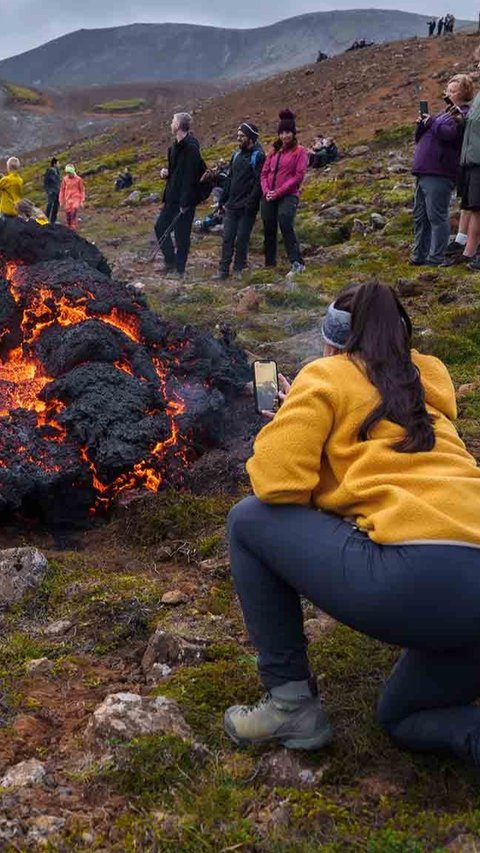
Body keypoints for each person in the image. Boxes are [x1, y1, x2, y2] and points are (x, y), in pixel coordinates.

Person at [224, 281, 480, 764]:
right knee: (403, 716)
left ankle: (290, 703)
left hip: (415, 577)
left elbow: (277, 487)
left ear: (331, 343)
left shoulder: (325, 376)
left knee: (247, 521)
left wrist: (290, 421)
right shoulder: (423, 383)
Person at [410, 74, 472, 266]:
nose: (448, 94)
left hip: (440, 171)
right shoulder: (443, 114)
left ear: (463, 94)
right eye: (448, 90)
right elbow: (422, 136)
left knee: (436, 216)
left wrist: (432, 122)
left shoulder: (462, 114)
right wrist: (423, 124)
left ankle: (435, 257)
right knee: (421, 216)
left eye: (453, 91)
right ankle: (419, 255)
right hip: (424, 169)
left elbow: (448, 134)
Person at [155, 112, 204, 279]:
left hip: (185, 201)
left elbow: (190, 177)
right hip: (171, 198)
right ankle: (170, 261)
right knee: (160, 227)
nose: (170, 124)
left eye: (172, 121)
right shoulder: (173, 148)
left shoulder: (191, 148)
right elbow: (178, 173)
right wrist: (166, 173)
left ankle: (180, 269)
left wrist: (185, 202)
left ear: (179, 125)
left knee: (182, 235)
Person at [443, 47, 480, 268]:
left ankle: (470, 252)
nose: (478, 67)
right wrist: (460, 120)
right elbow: (472, 126)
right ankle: (469, 251)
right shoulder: (477, 99)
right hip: (470, 160)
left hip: (477, 159)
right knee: (473, 206)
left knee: (477, 207)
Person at [260, 110, 308, 277]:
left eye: (287, 132)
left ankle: (297, 262)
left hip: (288, 195)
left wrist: (278, 192)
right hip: (269, 195)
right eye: (281, 133)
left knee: (285, 222)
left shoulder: (300, 151)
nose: (284, 136)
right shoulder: (274, 151)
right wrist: (267, 191)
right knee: (268, 227)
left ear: (293, 133)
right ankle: (269, 263)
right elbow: (264, 172)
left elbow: (298, 175)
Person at [214, 122, 265, 281]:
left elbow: (259, 182)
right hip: (232, 205)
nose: (239, 139)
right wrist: (222, 200)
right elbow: (230, 179)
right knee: (227, 238)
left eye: (242, 136)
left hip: (247, 207)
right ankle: (223, 271)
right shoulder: (236, 155)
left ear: (250, 137)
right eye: (238, 136)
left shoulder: (259, 156)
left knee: (242, 239)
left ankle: (238, 269)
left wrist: (251, 202)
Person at [59, 164, 85, 230]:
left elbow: (82, 190)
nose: (68, 174)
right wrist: (61, 200)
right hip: (68, 198)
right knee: (68, 213)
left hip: (76, 197)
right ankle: (69, 225)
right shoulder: (65, 179)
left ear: (72, 172)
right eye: (67, 173)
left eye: (69, 173)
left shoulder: (78, 179)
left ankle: (73, 225)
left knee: (74, 209)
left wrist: (82, 200)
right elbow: (62, 190)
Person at [43, 157, 60, 224]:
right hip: (52, 191)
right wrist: (49, 190)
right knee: (51, 205)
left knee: (56, 206)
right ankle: (47, 219)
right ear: (55, 164)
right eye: (58, 163)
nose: (59, 165)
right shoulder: (50, 171)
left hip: (56, 191)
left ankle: (53, 220)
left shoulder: (56, 171)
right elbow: (48, 182)